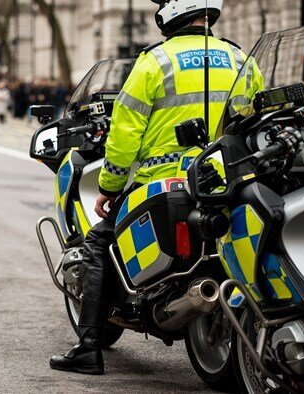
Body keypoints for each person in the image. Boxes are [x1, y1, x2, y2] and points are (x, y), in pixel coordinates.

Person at [49, 0, 248, 375]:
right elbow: (249, 118)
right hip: (221, 179)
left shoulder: (154, 62)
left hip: (161, 181)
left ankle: (89, 348)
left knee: (96, 245)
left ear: (172, 12)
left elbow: (125, 133)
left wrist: (108, 186)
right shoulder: (239, 59)